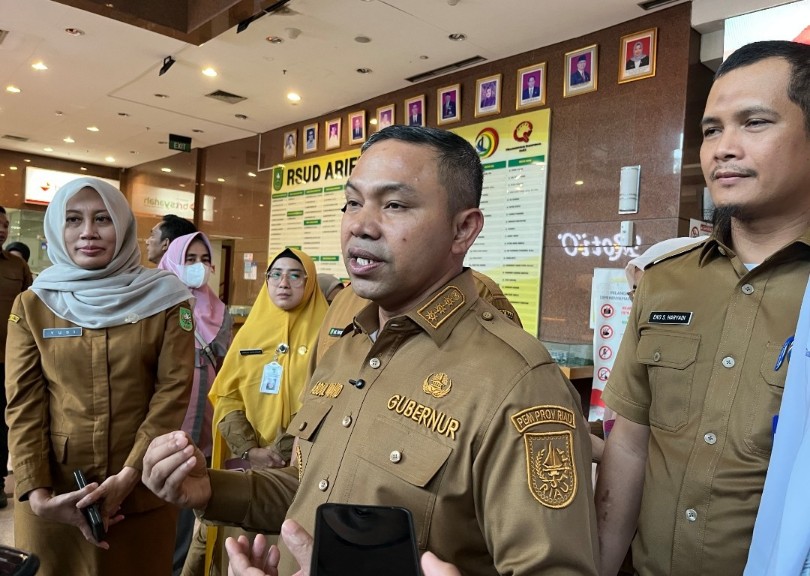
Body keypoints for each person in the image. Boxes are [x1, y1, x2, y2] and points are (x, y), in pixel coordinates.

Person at [143, 125, 599, 575]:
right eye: (353, 203)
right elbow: (312, 486)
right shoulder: (348, 341)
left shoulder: (518, 381)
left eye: (395, 205)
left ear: (463, 230)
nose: (360, 225)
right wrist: (212, 490)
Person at [596, 40, 810, 576]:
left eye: (755, 122)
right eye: (712, 129)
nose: (723, 148)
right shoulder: (665, 280)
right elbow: (630, 448)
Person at [6, 177, 194, 575]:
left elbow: (173, 394)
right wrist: (37, 495)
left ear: (124, 227)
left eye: (103, 219)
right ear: (58, 228)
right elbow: (23, 404)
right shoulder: (34, 304)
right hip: (56, 497)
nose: (88, 232)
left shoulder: (166, 299)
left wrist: (129, 475)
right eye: (73, 219)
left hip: (142, 493)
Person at [195, 247, 327, 574]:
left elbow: (327, 399)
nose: (284, 282)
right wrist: (250, 450)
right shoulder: (250, 332)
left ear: (309, 283)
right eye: (276, 274)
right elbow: (225, 394)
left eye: (296, 275)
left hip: (303, 468)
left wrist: (282, 449)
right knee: (240, 550)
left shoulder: (330, 335)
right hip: (249, 467)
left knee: (289, 553)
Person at [158, 232, 234, 576]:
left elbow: (228, 366)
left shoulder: (220, 311)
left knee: (191, 497)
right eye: (190, 259)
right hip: (162, 420)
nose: (199, 267)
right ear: (174, 260)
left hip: (205, 419)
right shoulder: (154, 304)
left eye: (205, 259)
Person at [0, 209, 32, 509]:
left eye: (5, 224)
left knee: (4, 423)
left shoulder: (17, 265)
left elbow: (32, 308)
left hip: (8, 360)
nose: (2, 229)